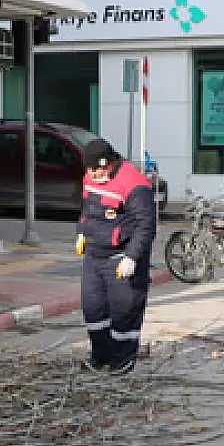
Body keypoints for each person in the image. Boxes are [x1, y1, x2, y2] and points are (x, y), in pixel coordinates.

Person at [76, 139, 157, 375]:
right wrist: (82, 232)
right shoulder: (90, 176)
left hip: (121, 257)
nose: (95, 175)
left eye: (99, 170)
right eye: (91, 171)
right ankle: (100, 357)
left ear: (108, 164)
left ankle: (123, 362)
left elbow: (146, 225)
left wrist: (132, 257)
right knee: (93, 310)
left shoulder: (133, 183)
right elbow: (87, 208)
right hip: (94, 256)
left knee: (124, 313)